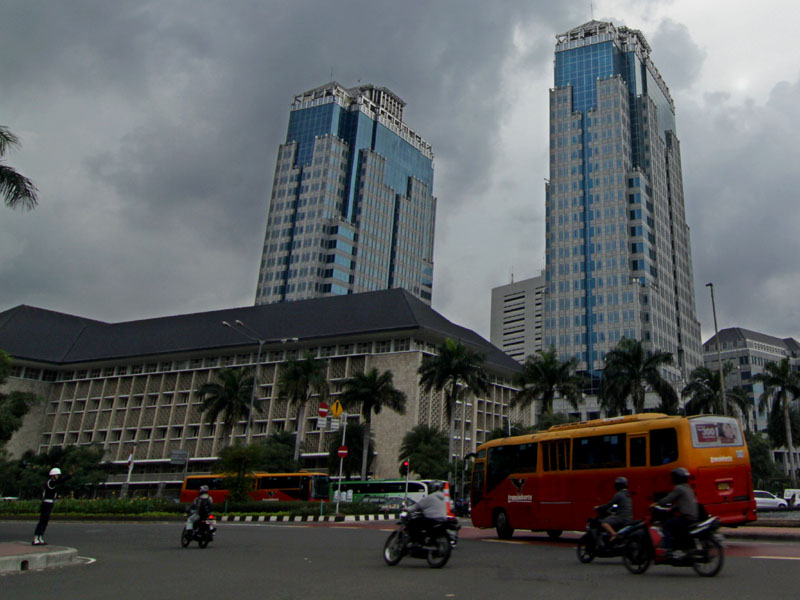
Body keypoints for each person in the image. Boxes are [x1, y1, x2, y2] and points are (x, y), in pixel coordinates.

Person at [654, 467, 698, 555]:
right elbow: (683, 503)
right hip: (694, 517)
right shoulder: (688, 488)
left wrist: (657, 503)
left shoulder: (679, 488)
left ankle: (669, 549)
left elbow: (668, 499)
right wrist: (673, 509)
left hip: (686, 518)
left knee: (666, 526)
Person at [33, 467, 73, 546]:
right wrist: (68, 476)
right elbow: (59, 481)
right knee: (42, 521)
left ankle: (40, 537)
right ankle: (35, 539)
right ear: (53, 475)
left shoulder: (53, 482)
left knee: (45, 522)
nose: (58, 476)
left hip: (49, 503)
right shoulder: (50, 482)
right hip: (46, 504)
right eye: (57, 475)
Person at [596, 476, 633, 542]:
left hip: (622, 518)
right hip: (629, 518)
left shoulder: (619, 494)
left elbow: (608, 505)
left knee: (604, 522)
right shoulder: (628, 495)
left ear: (618, 485)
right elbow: (619, 506)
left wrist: (599, 507)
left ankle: (613, 534)